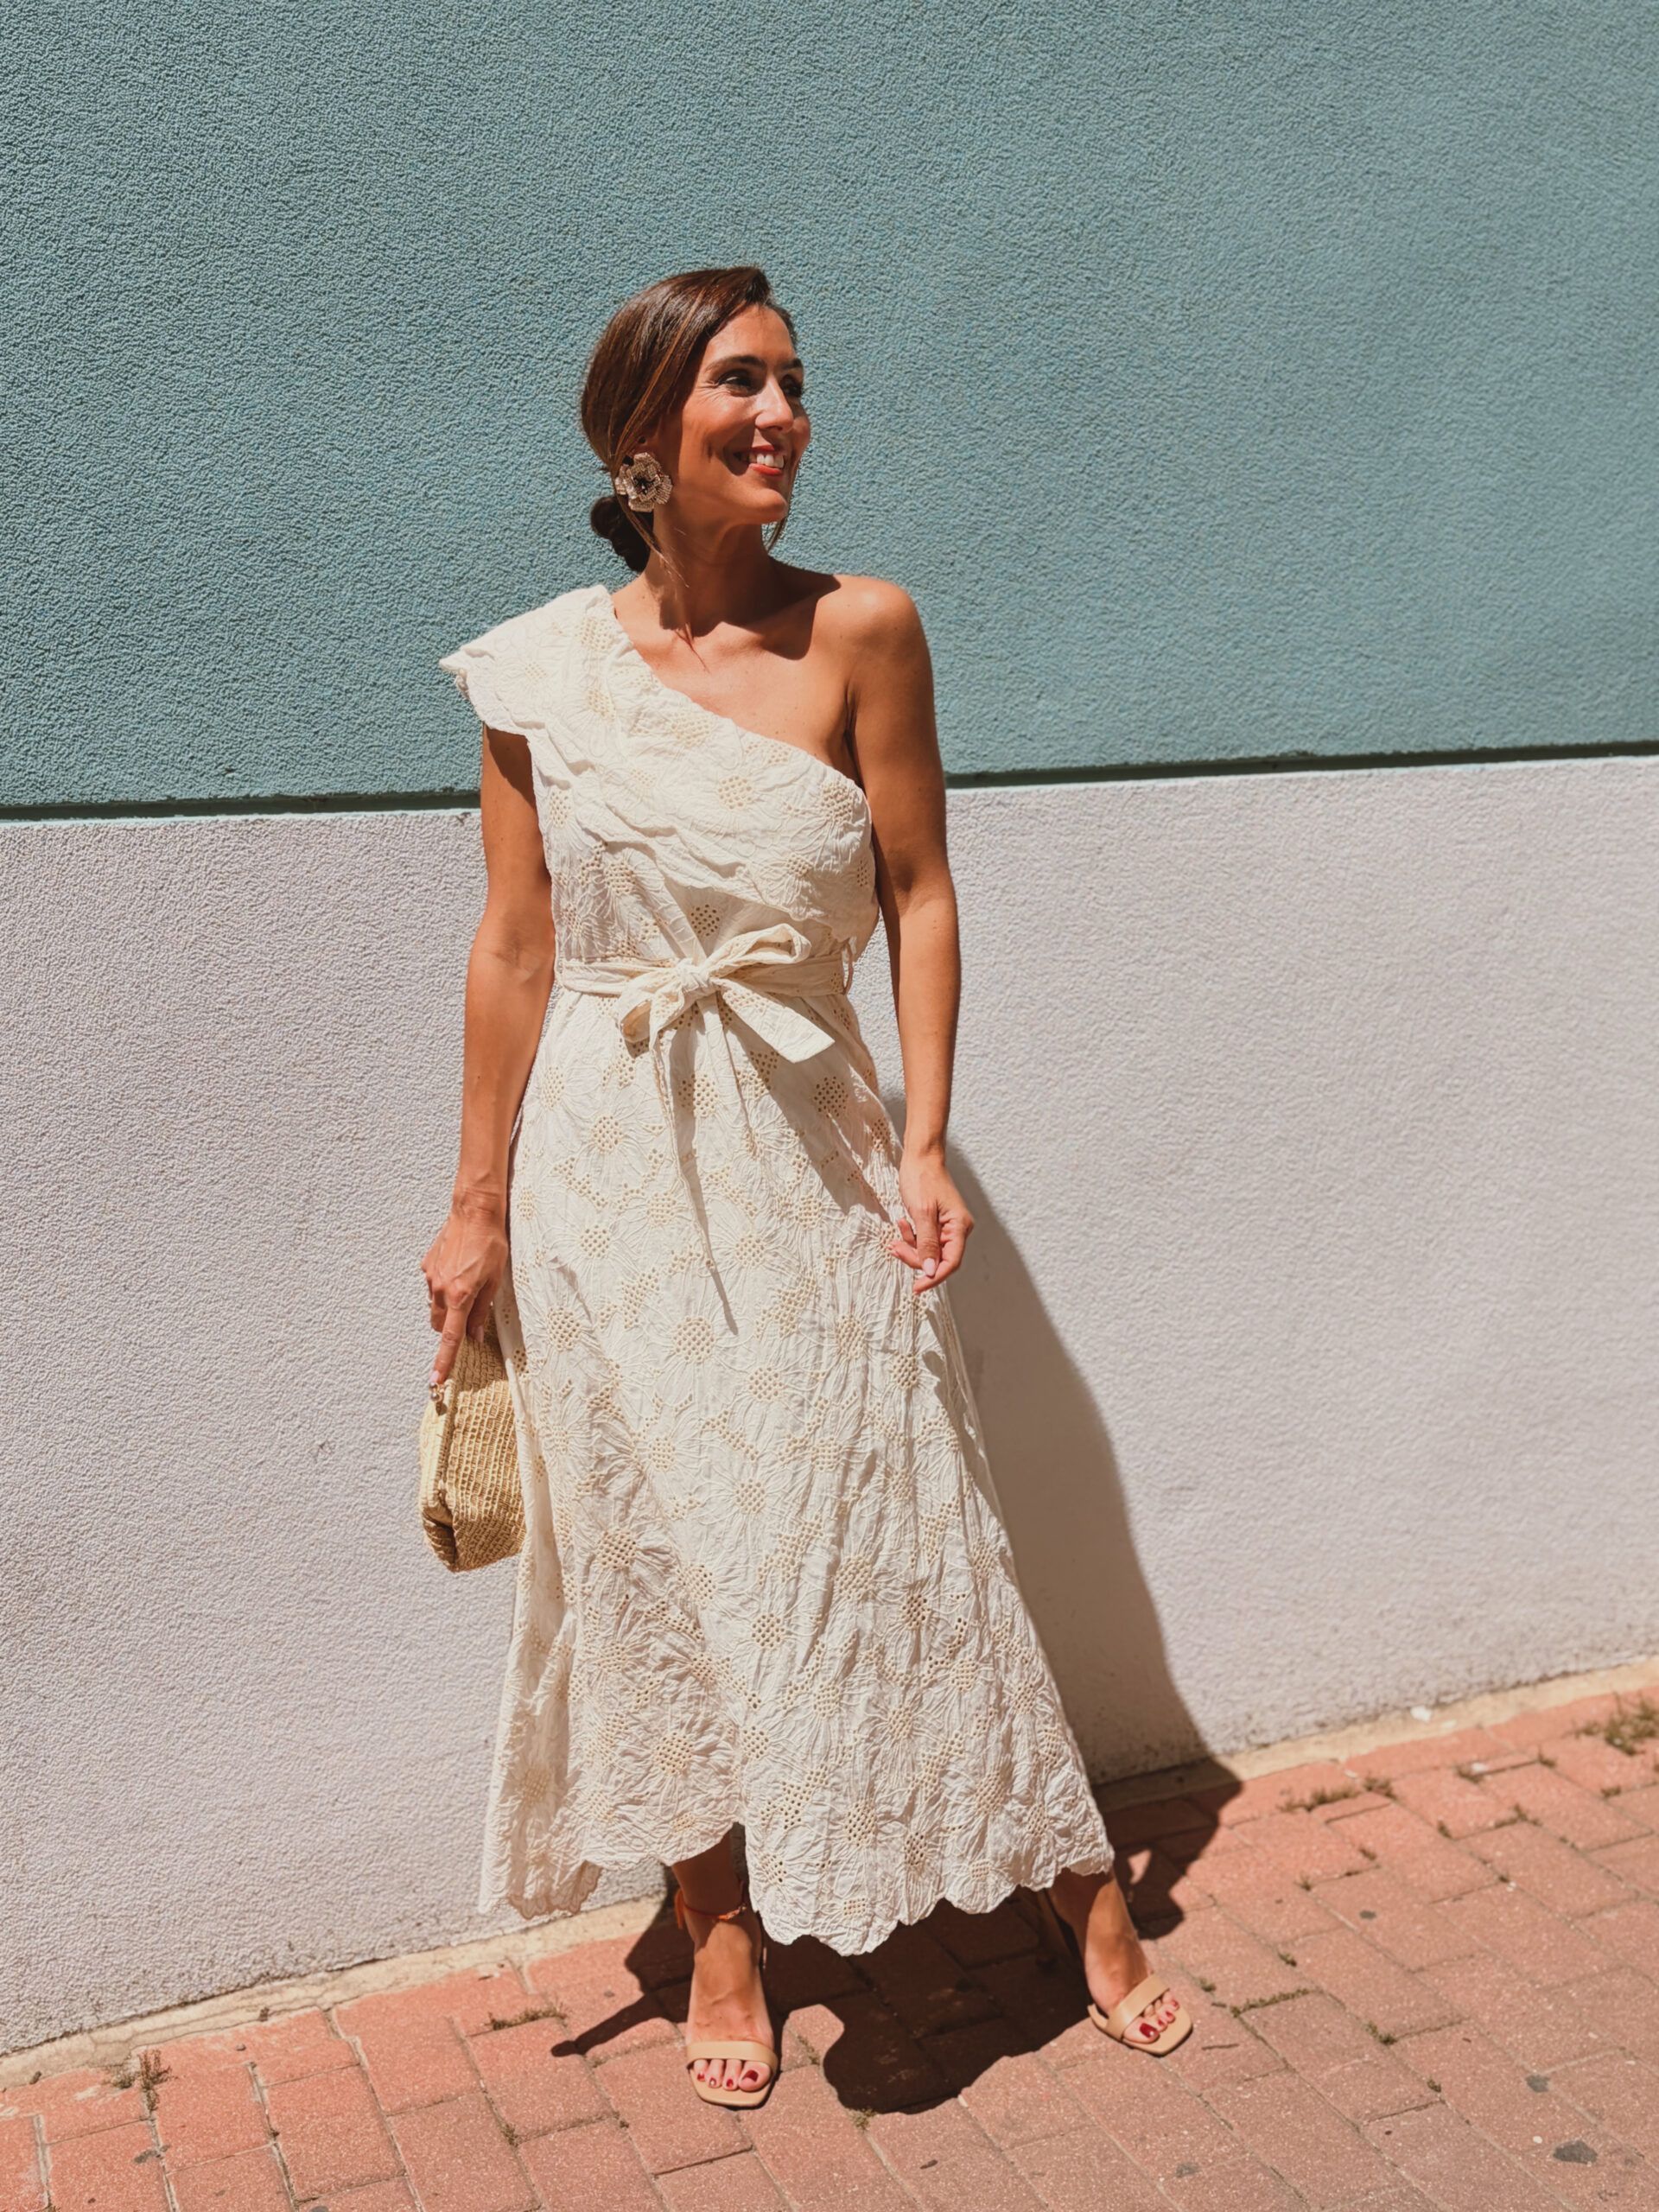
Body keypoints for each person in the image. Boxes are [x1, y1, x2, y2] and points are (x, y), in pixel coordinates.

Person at [422, 264, 1189, 2109]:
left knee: (900, 1514)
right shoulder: (536, 674)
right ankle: (720, 1923)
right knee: (652, 1549)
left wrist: (923, 1139)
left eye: (792, 382)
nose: (782, 417)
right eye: (739, 385)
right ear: (640, 435)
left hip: (807, 1141)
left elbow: (920, 890)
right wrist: (476, 1203)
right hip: (608, 1165)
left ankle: (1078, 1883)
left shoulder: (865, 627)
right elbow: (516, 947)